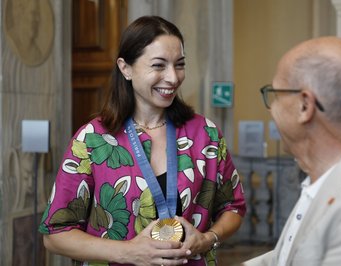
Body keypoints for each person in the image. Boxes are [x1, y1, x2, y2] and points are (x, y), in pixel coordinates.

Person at [39, 16, 246, 266]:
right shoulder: (91, 140)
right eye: (159, 65)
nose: (172, 77)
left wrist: (208, 238)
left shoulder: (206, 134)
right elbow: (55, 235)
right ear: (125, 68)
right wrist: (128, 252)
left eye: (179, 64)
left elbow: (233, 208)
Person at [242, 36, 341, 266]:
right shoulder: (327, 178)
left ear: (305, 106)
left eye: (275, 94)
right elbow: (286, 258)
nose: (271, 107)